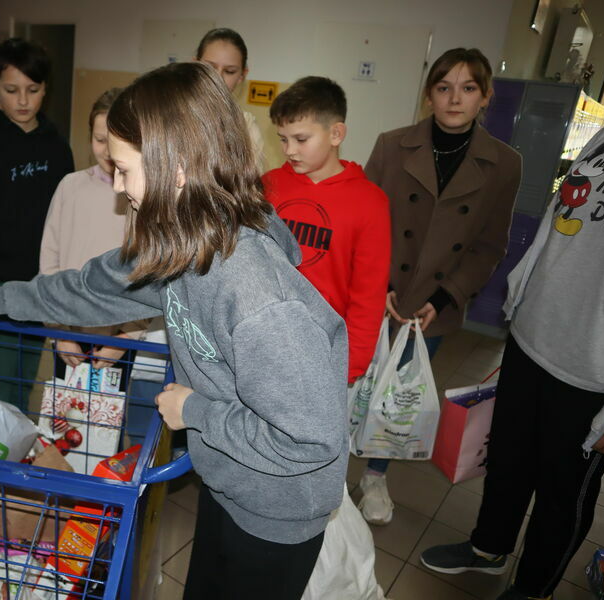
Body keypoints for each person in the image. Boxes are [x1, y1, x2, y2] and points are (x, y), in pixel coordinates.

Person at [0, 62, 347, 600]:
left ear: (175, 169)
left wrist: (194, 411)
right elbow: (88, 287)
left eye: (126, 168)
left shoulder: (257, 295)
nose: (117, 183)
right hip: (230, 479)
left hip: (278, 510)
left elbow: (310, 439)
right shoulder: (180, 244)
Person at [420, 122, 604, 600]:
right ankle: (489, 549)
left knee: (560, 496)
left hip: (593, 371)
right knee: (507, 460)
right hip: (533, 338)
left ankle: (533, 589)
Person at [360, 47, 522, 525]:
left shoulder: (505, 164)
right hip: (376, 289)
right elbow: (367, 220)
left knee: (398, 394)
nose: (455, 98)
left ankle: (373, 474)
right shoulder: (392, 145)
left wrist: (444, 296)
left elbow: (490, 245)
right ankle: (325, 463)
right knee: (354, 382)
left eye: (468, 88)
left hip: (433, 304)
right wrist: (379, 280)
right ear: (429, 94)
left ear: (485, 97)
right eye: (444, 87)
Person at [0, 38, 74, 405]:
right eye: (11, 90)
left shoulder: (57, 147)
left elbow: (66, 221)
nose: (23, 101)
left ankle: (16, 451)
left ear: (45, 90)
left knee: (24, 380)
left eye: (33, 90)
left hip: (39, 286)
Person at [263, 76, 390, 384]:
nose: (290, 150)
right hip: (263, 338)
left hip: (324, 350)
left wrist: (351, 365)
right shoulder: (268, 186)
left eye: (301, 139)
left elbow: (368, 294)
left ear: (336, 134)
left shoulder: (370, 202)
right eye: (283, 139)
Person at [39, 87, 144, 386]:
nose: (108, 152)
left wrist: (126, 337)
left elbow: (149, 272)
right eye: (100, 141)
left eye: (116, 143)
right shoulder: (70, 187)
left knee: (106, 427)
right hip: (68, 334)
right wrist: (59, 331)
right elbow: (49, 264)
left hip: (118, 342)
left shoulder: (142, 196)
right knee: (64, 423)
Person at [195, 27, 265, 170]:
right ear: (195, 65)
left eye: (229, 71)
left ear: (242, 75)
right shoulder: (172, 112)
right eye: (210, 67)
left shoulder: (247, 125)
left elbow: (252, 181)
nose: (218, 78)